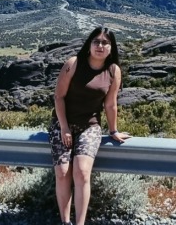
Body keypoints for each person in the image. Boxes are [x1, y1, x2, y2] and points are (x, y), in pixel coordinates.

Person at [48, 26, 131, 225]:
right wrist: (65, 128)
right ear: (89, 44)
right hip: (63, 123)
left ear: (111, 48)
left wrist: (113, 131)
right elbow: (59, 97)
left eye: (105, 43)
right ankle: (65, 221)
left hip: (90, 126)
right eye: (96, 41)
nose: (100, 46)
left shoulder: (113, 71)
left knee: (82, 172)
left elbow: (110, 104)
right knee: (63, 172)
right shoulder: (74, 63)